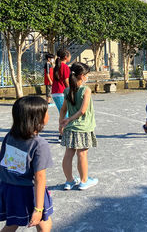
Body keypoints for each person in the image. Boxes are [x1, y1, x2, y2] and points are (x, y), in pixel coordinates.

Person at [0, 96, 53, 231]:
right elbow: (40, 177)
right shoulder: (39, 144)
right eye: (46, 112)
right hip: (29, 191)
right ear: (37, 118)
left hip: (9, 189)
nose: (48, 115)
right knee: (44, 223)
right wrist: (39, 208)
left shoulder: (9, 136)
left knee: (12, 223)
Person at [59, 62, 98, 190]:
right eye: (87, 74)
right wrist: (69, 119)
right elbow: (82, 110)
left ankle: (69, 181)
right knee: (82, 154)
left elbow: (63, 109)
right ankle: (84, 181)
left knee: (68, 154)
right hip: (83, 126)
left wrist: (62, 123)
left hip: (70, 127)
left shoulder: (66, 90)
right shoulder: (86, 90)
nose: (88, 77)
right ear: (82, 75)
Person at [52, 49, 71, 141]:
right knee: (65, 114)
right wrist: (71, 90)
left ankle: (62, 134)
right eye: (69, 55)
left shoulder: (57, 66)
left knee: (62, 114)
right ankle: (63, 135)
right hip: (61, 92)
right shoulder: (65, 67)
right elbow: (66, 80)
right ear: (66, 57)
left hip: (56, 93)